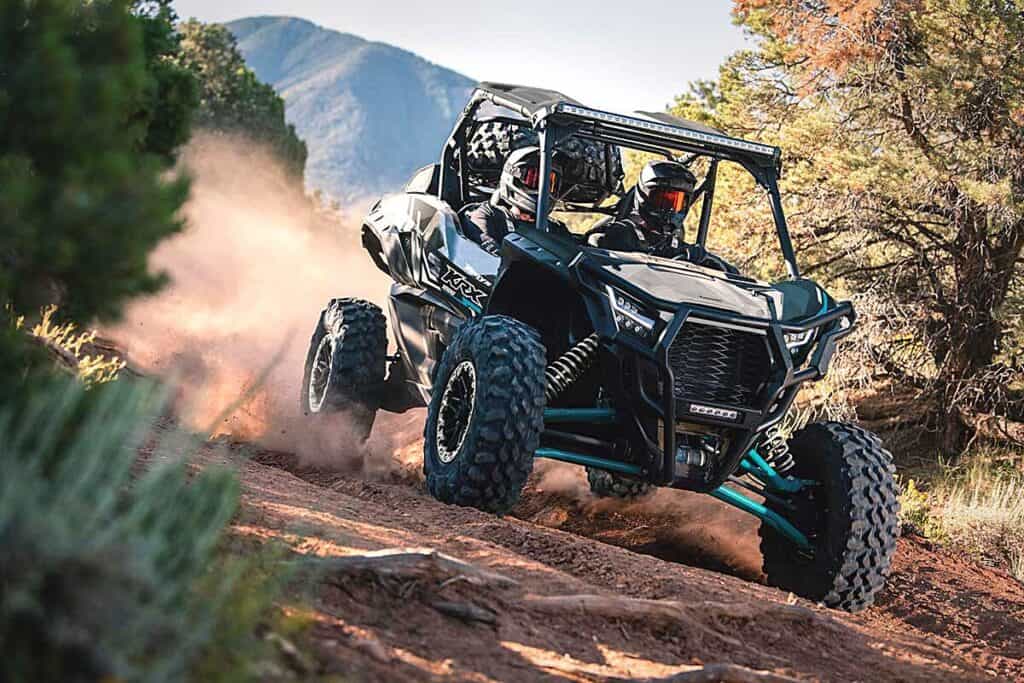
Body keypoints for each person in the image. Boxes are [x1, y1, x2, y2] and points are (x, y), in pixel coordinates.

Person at [461, 146, 564, 254]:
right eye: (533, 179)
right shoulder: (488, 215)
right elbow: (488, 252)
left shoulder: (555, 229)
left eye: (551, 184)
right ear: (513, 177)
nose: (543, 189)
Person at [588, 159, 697, 256]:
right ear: (643, 196)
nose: (670, 209)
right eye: (662, 200)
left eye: (676, 203)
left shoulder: (674, 245)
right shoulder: (619, 235)